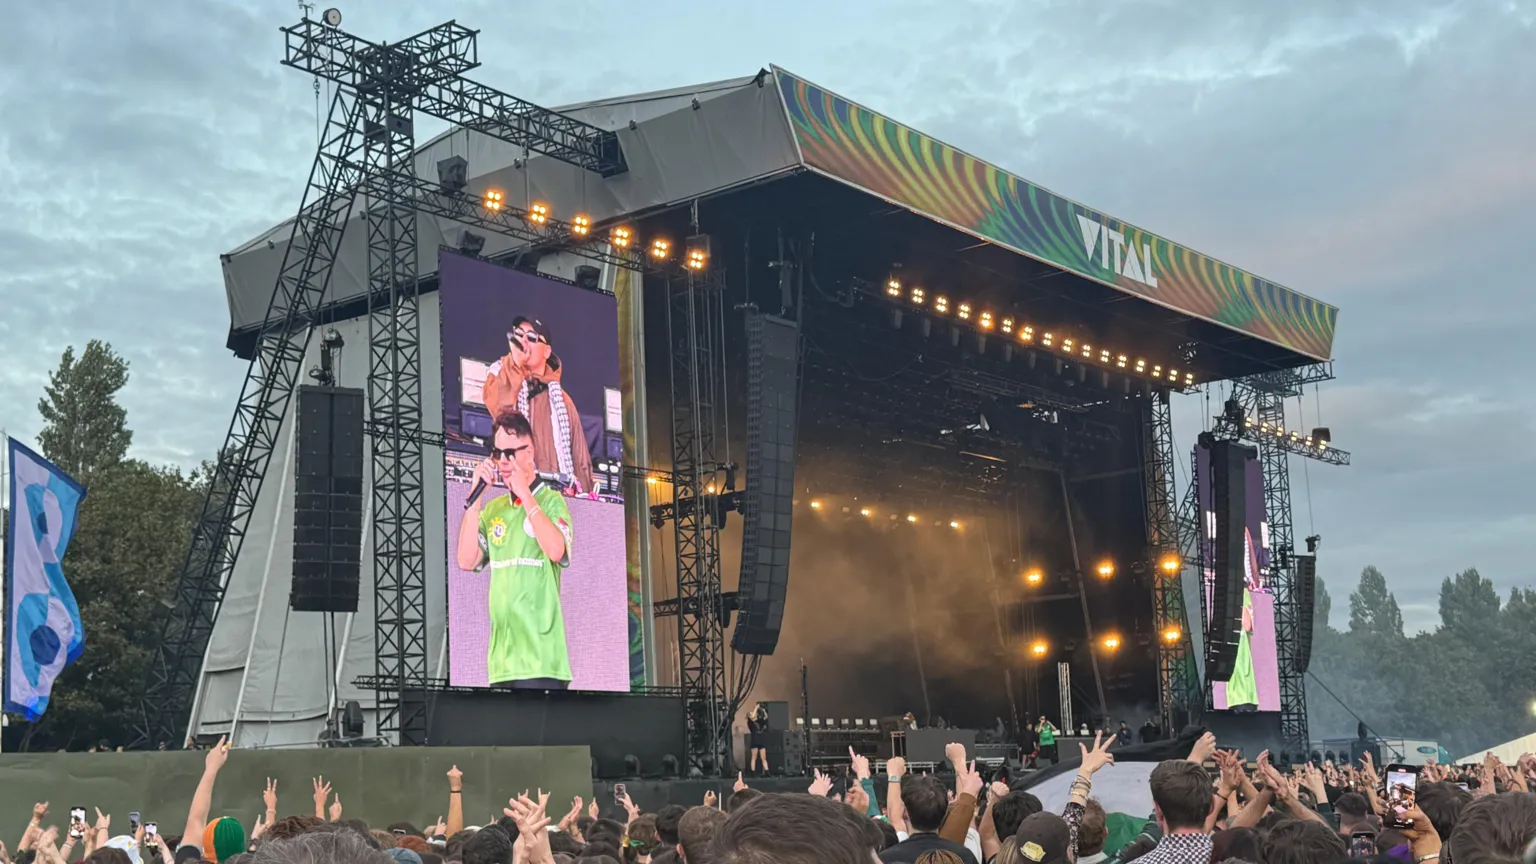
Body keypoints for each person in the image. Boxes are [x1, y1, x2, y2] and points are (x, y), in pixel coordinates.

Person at [456, 411, 576, 689]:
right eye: (498, 453)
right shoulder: (494, 510)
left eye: (511, 453)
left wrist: (526, 494)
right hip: (502, 663)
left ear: (529, 450)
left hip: (543, 662)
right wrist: (475, 501)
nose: (504, 462)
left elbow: (557, 550)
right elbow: (466, 560)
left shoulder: (551, 501)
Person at [480, 316, 596, 494]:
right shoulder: (501, 374)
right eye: (519, 334)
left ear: (547, 351)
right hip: (513, 493)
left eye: (532, 337)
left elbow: (580, 457)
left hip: (555, 497)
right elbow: (500, 410)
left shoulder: (563, 401)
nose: (523, 341)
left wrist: (586, 499)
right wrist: (515, 366)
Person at [1222, 526, 1263, 710]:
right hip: (1235, 589)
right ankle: (1239, 696)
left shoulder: (1243, 532)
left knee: (1241, 653)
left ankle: (1243, 696)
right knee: (1236, 654)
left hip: (1241, 589)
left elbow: (1247, 625)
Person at [747, 704, 771, 776]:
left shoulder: (759, 721)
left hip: (761, 740)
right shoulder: (750, 723)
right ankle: (753, 772)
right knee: (754, 757)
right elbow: (752, 717)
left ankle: (767, 772)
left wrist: (764, 711)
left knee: (763, 757)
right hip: (755, 740)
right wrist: (755, 708)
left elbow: (766, 718)